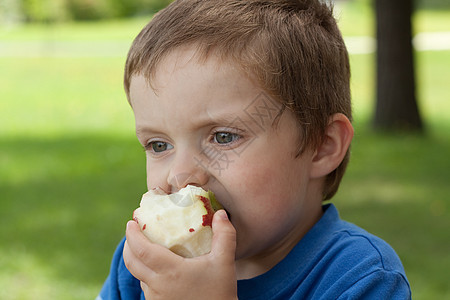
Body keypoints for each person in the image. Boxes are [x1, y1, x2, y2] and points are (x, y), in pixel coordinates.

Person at [98, 0, 411, 299]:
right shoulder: (144, 265)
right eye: (159, 145)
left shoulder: (361, 278)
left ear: (321, 146)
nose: (180, 175)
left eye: (222, 137)